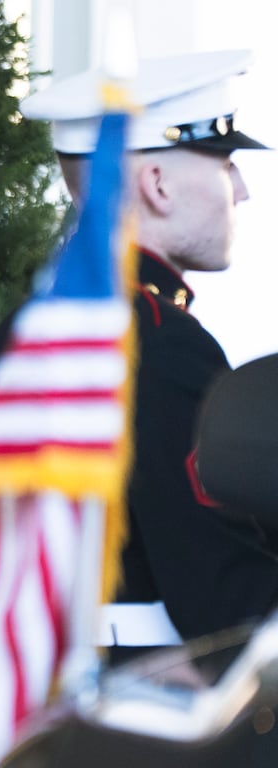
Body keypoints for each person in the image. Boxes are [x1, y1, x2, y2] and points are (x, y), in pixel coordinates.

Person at [17, 50, 278, 647]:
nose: (240, 190)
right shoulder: (155, 344)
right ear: (157, 184)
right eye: (224, 162)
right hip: (155, 701)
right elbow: (227, 601)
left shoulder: (37, 324)